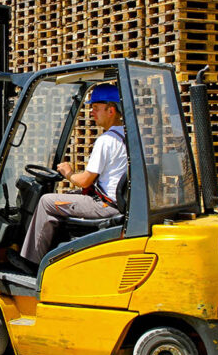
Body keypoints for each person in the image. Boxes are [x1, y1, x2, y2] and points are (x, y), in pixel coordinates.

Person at [8, 84, 128, 275]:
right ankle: (53, 253)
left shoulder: (106, 140)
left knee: (47, 201)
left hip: (106, 205)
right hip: (113, 200)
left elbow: (85, 181)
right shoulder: (124, 136)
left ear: (111, 110)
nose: (92, 113)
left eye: (96, 108)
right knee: (66, 197)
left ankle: (31, 263)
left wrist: (68, 172)